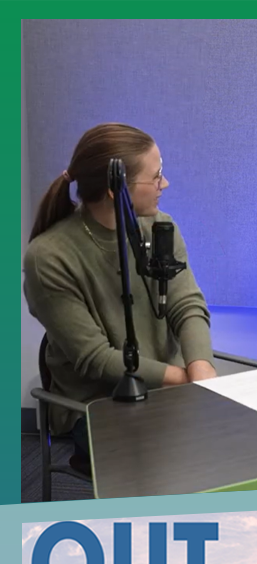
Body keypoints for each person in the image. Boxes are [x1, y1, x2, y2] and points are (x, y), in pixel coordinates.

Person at [24, 123, 217, 475]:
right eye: (156, 177)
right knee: (172, 467)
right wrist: (184, 380)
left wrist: (202, 369)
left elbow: (186, 304)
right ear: (117, 191)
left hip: (166, 391)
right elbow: (94, 357)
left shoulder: (159, 228)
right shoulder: (48, 257)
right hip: (95, 404)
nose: (166, 185)